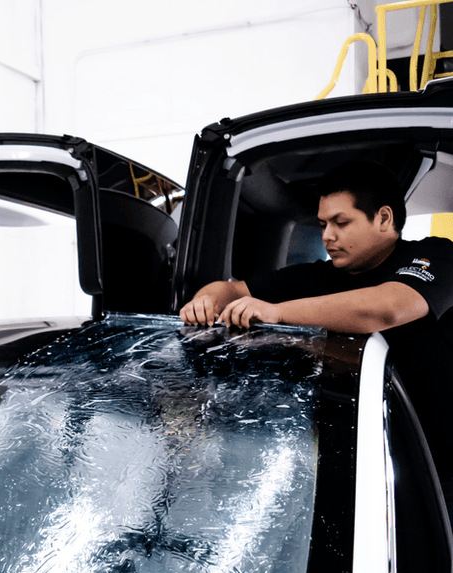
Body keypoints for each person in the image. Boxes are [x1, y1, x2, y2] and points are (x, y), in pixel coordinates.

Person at [180, 160, 453, 480]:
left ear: (383, 218)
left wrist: (276, 311)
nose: (328, 236)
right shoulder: (315, 276)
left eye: (341, 222)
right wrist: (205, 300)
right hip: (365, 462)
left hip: (442, 465)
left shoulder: (435, 255)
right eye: (323, 224)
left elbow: (387, 308)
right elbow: (230, 289)